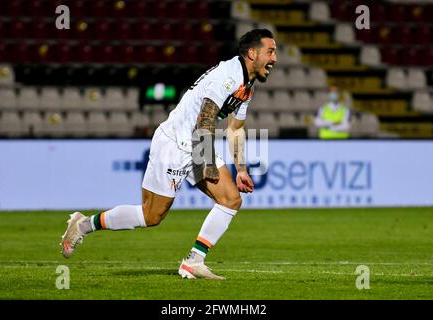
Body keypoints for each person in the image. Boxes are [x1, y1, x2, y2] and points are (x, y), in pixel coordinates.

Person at [60, 29, 278, 280]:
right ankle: (83, 225)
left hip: (197, 143)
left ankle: (194, 262)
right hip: (175, 143)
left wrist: (240, 169)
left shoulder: (246, 84)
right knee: (150, 216)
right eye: (270, 51)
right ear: (252, 53)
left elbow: (235, 128)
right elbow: (205, 118)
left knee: (231, 199)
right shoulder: (227, 77)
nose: (274, 58)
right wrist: (206, 161)